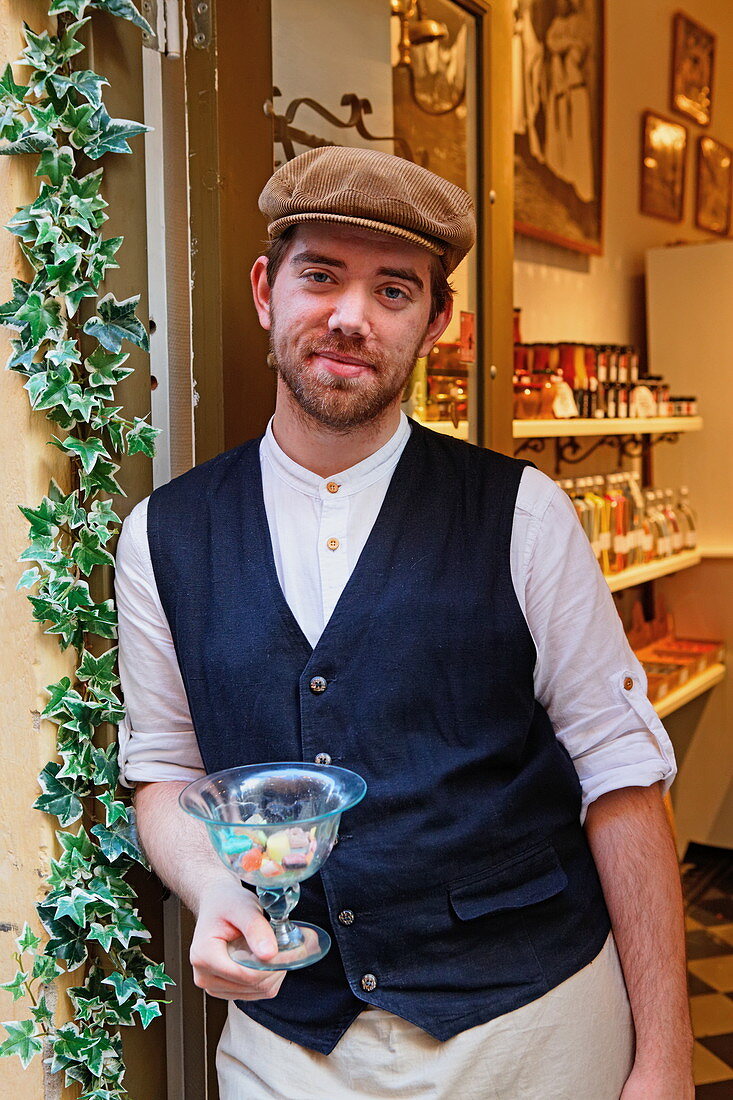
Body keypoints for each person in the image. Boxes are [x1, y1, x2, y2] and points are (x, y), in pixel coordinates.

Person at [116, 146, 693, 1098]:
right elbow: (167, 770)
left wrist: (665, 1057)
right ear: (266, 289)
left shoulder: (523, 513)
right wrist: (216, 891)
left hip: (530, 1029)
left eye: (393, 290)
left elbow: (620, 776)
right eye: (320, 276)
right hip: (287, 1045)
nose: (349, 316)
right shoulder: (164, 535)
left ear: (436, 322)